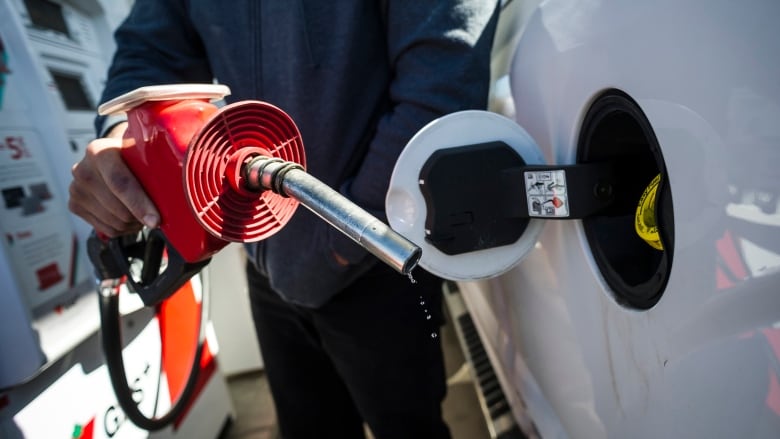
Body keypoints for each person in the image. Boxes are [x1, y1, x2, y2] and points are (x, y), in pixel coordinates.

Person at [68, 1, 499, 438]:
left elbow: (440, 90)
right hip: (266, 262)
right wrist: (125, 140)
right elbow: (149, 54)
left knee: (408, 426)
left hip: (374, 259)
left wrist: (333, 246)